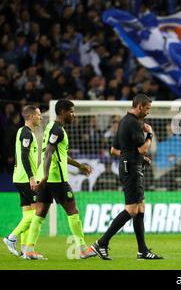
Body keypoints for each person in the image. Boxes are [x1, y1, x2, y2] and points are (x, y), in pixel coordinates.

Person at [91, 94, 163, 260]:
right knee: (131, 209)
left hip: (130, 166)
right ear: (139, 106)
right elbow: (143, 148)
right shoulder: (133, 123)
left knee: (140, 208)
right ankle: (101, 243)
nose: (148, 112)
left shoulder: (124, 121)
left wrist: (136, 157)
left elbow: (114, 150)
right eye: (147, 109)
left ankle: (142, 251)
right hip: (130, 170)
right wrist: (150, 135)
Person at [25, 99, 96, 260]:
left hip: (46, 179)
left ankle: (29, 249)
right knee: (73, 212)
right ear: (62, 112)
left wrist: (79, 166)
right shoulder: (58, 130)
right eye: (71, 111)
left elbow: (59, 155)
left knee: (40, 214)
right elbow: (48, 152)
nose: (74, 115)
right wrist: (46, 175)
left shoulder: (51, 126)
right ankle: (83, 249)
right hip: (56, 180)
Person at [3, 106, 42, 258]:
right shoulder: (26, 133)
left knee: (28, 215)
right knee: (37, 214)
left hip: (20, 177)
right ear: (31, 116)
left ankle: (26, 252)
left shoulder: (22, 131)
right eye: (38, 115)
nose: (41, 117)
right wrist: (32, 177)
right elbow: (24, 156)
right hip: (26, 179)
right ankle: (11, 238)